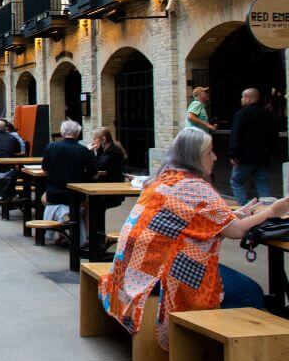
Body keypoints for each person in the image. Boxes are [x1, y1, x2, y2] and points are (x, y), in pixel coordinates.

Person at [100, 127, 289, 349]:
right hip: (159, 275)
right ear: (194, 157)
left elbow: (201, 219)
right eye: (209, 152)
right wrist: (272, 211)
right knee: (249, 293)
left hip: (132, 269)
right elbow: (236, 231)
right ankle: (207, 352)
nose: (215, 157)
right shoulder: (195, 187)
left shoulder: (165, 180)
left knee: (242, 288)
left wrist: (237, 215)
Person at [41, 120, 98, 244]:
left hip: (54, 195)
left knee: (43, 198)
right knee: (89, 204)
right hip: (77, 196)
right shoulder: (84, 150)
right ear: (78, 134)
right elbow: (94, 175)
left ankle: (60, 227)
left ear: (62, 132)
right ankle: (86, 236)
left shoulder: (51, 147)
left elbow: (45, 171)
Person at [229, 87, 278, 204]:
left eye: (242, 97)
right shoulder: (268, 114)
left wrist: (233, 154)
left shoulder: (242, 114)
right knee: (263, 184)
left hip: (244, 158)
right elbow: (274, 136)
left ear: (248, 98)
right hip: (263, 158)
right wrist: (272, 153)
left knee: (237, 181)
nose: (241, 100)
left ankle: (245, 208)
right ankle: (267, 211)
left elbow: (236, 134)